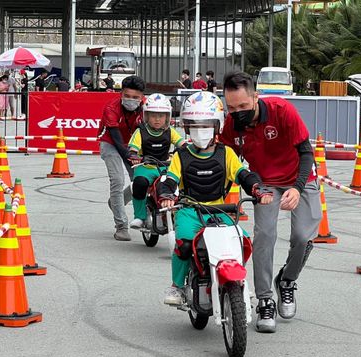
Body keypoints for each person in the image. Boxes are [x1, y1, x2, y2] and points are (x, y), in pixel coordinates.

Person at [219, 71, 322, 333]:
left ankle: (287, 280)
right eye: (231, 108)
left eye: (243, 106)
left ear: (256, 97)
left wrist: (298, 188)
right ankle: (265, 299)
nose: (237, 112)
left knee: (302, 236)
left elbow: (306, 151)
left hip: (300, 177)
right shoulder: (232, 125)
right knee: (264, 235)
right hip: (265, 183)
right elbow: (225, 161)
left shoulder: (282, 110)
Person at [157, 91, 271, 305]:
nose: (201, 131)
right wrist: (165, 194)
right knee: (183, 244)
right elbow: (169, 180)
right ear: (187, 128)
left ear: (217, 126)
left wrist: (257, 189)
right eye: (195, 126)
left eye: (206, 125)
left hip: (221, 210)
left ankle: (239, 281)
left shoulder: (226, 153)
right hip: (189, 210)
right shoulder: (180, 156)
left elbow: (244, 175)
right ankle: (177, 287)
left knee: (243, 241)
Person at [127, 94, 186, 229]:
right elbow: (132, 150)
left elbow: (182, 144)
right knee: (139, 183)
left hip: (166, 166)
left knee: (182, 183)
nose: (157, 119)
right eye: (153, 115)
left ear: (167, 117)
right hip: (145, 167)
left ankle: (182, 212)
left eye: (161, 116)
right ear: (146, 116)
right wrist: (135, 157)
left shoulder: (170, 131)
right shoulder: (140, 132)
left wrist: (186, 150)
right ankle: (140, 217)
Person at [98, 75, 145, 241]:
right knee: (117, 180)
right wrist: (130, 156)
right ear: (121, 94)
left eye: (135, 97)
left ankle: (115, 203)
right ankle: (121, 226)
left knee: (140, 179)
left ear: (142, 97)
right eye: (127, 96)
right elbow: (116, 138)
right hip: (110, 143)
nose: (131, 100)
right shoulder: (111, 108)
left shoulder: (146, 107)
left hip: (132, 144)